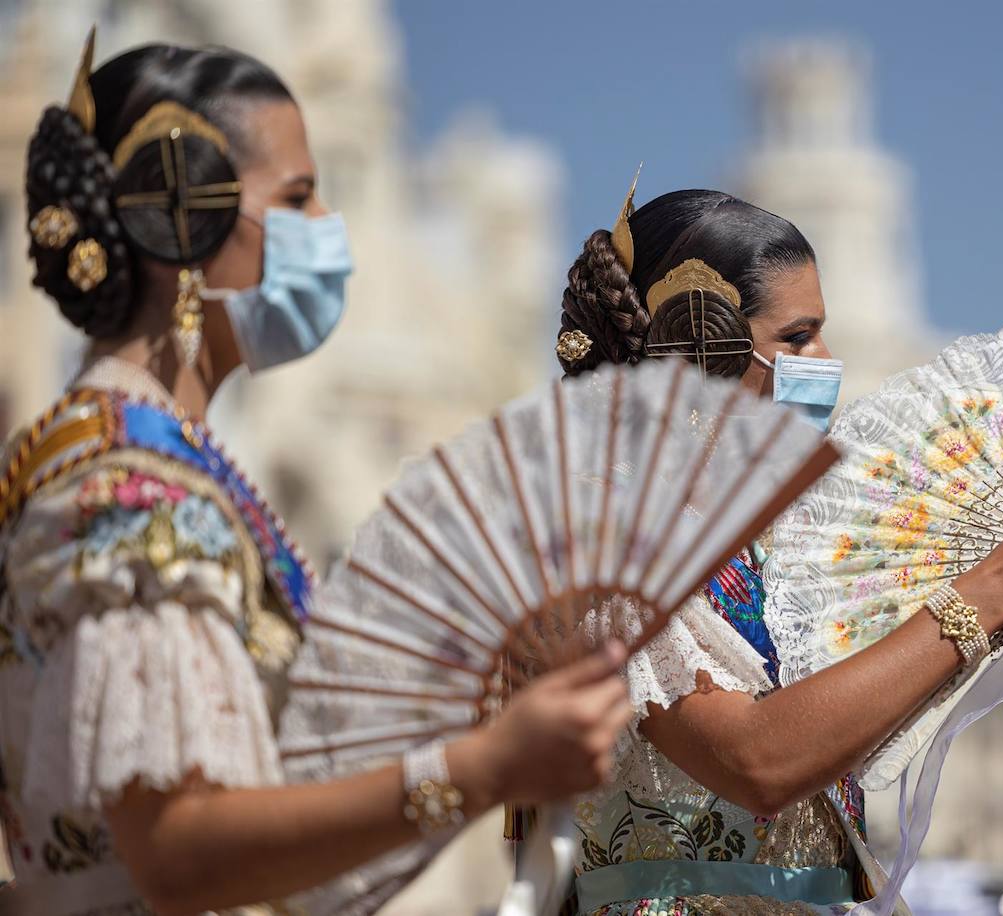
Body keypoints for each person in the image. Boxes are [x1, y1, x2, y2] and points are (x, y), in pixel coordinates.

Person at [0, 32, 633, 915]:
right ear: (184, 217)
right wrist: (479, 768)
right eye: (297, 196)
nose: (327, 229)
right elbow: (180, 852)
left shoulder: (123, 457)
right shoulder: (127, 488)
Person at [549, 186, 1003, 914]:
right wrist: (992, 588)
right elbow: (758, 760)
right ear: (702, 345)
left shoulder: (765, 544)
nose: (825, 360)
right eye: (796, 338)